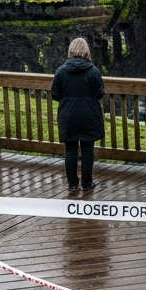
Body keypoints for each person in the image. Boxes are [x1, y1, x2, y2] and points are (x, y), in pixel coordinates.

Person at [51, 38, 105, 193]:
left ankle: (73, 184)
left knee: (70, 150)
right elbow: (100, 93)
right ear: (86, 51)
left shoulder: (61, 71)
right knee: (88, 150)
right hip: (89, 115)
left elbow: (55, 94)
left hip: (68, 115)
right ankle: (87, 183)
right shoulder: (93, 71)